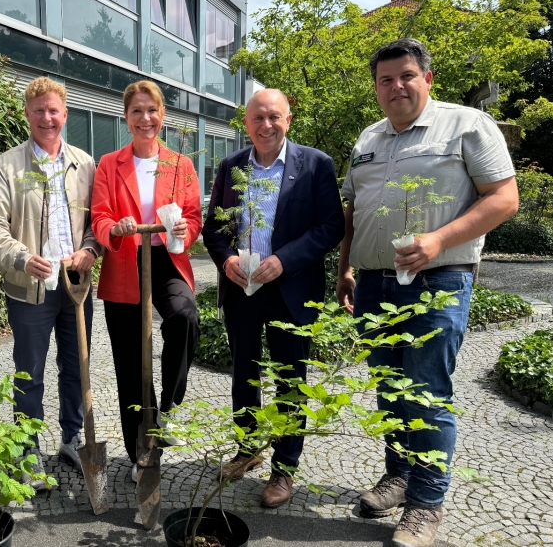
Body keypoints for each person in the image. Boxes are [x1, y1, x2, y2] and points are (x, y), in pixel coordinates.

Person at [337, 38, 518, 547]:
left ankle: (426, 503)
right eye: (385, 79)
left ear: (427, 79)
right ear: (376, 88)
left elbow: (505, 197)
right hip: (374, 284)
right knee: (390, 388)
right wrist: (345, 268)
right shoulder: (368, 137)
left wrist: (438, 239)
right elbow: (354, 208)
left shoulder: (467, 125)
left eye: (407, 76)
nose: (396, 86)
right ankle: (399, 476)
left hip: (438, 281)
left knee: (427, 392)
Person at [202, 89, 345, 506]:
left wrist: (284, 260)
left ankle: (284, 469)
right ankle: (247, 449)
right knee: (243, 374)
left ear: (288, 119)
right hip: (242, 289)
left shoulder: (315, 164)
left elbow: (330, 227)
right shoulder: (231, 166)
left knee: (290, 379)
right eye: (257, 118)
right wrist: (227, 259)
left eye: (274, 117)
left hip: (291, 289)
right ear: (246, 123)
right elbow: (213, 228)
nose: (266, 125)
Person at [0, 77, 100, 489]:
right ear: (27, 114)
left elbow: (98, 218)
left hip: (75, 283)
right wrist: (21, 257)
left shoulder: (84, 164)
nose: (47, 118)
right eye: (38, 111)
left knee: (77, 366)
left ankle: (71, 438)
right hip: (29, 287)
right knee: (28, 371)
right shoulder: (6, 166)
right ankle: (27, 448)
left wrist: (90, 248)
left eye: (53, 111)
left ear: (65, 114)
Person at [91, 80, 202, 482]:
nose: (145, 118)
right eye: (137, 111)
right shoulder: (109, 164)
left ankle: (167, 408)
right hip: (126, 259)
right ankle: (142, 452)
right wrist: (114, 229)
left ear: (162, 115)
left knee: (185, 317)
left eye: (152, 110)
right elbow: (99, 216)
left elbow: (193, 217)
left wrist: (184, 232)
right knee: (130, 364)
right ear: (126, 117)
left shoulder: (180, 164)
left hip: (167, 259)